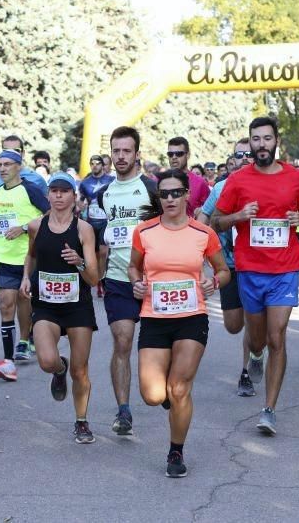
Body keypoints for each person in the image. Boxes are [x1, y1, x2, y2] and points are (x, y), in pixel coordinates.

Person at [212, 116, 299, 435]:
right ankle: (254, 354)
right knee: (257, 338)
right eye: (255, 139)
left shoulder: (295, 177)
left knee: (277, 336)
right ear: (250, 143)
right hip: (250, 269)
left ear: (276, 141)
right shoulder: (239, 180)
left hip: (284, 268)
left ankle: (268, 408)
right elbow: (216, 221)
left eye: (267, 138)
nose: (261, 145)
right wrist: (238, 216)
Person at [129, 169, 230, 477]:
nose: (170, 199)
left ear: (187, 195)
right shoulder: (144, 231)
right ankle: (171, 403)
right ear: (158, 198)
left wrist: (215, 282)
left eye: (176, 193)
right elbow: (134, 268)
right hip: (155, 317)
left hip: (191, 317)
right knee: (153, 395)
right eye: (164, 194)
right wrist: (137, 284)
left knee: (179, 387)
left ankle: (176, 451)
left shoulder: (203, 233)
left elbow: (224, 270)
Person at [20, 172, 100, 443]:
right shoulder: (36, 225)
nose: (58, 195)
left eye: (64, 191)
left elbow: (93, 277)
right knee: (47, 360)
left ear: (73, 196)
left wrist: (78, 261)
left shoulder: (83, 229)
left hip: (78, 306)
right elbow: (30, 255)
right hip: (46, 305)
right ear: (48, 195)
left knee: (81, 370)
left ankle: (81, 421)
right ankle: (58, 370)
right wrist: (25, 278)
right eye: (53, 190)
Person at [96, 126, 157, 435]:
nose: (120, 156)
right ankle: (123, 411)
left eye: (126, 151)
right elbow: (96, 238)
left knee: (157, 347)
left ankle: (165, 388)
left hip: (155, 280)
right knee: (122, 340)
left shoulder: (151, 189)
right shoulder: (102, 194)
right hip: (118, 279)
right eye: (116, 151)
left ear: (136, 154)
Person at [198, 137, 262, 397]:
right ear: (232, 160)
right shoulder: (221, 187)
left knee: (253, 316)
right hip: (230, 264)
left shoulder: (266, 184)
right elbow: (203, 220)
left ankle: (248, 368)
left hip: (260, 264)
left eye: (249, 154)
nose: (245, 158)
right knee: (234, 325)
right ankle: (257, 346)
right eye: (239, 155)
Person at [0, 149, 50, 381]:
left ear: (18, 166)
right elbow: (2, 220)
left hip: (28, 257)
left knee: (25, 301)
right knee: (6, 305)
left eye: (7, 164)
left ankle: (25, 339)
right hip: (5, 256)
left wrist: (24, 228)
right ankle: (8, 361)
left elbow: (51, 213)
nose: (1, 169)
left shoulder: (30, 190)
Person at [79, 154, 115, 298]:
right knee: (93, 254)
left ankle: (101, 280)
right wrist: (80, 206)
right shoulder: (85, 183)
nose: (95, 166)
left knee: (103, 252)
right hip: (91, 221)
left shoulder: (111, 180)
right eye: (92, 163)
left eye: (98, 163)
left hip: (106, 221)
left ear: (103, 165)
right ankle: (97, 280)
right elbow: (81, 201)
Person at [166, 137, 210, 217]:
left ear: (188, 155)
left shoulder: (201, 183)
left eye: (179, 154)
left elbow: (208, 214)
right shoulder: (159, 181)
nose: (174, 157)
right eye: (170, 154)